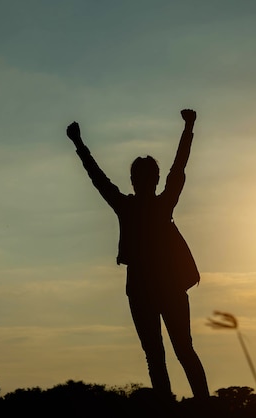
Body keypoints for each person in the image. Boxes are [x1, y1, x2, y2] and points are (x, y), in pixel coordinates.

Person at [66, 109, 209, 400]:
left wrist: (79, 144)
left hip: (154, 288)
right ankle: (196, 405)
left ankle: (197, 406)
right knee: (174, 352)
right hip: (151, 289)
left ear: (141, 179)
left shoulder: (134, 206)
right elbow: (177, 168)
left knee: (167, 353)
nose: (142, 180)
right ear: (151, 179)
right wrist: (188, 127)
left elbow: (99, 177)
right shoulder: (149, 205)